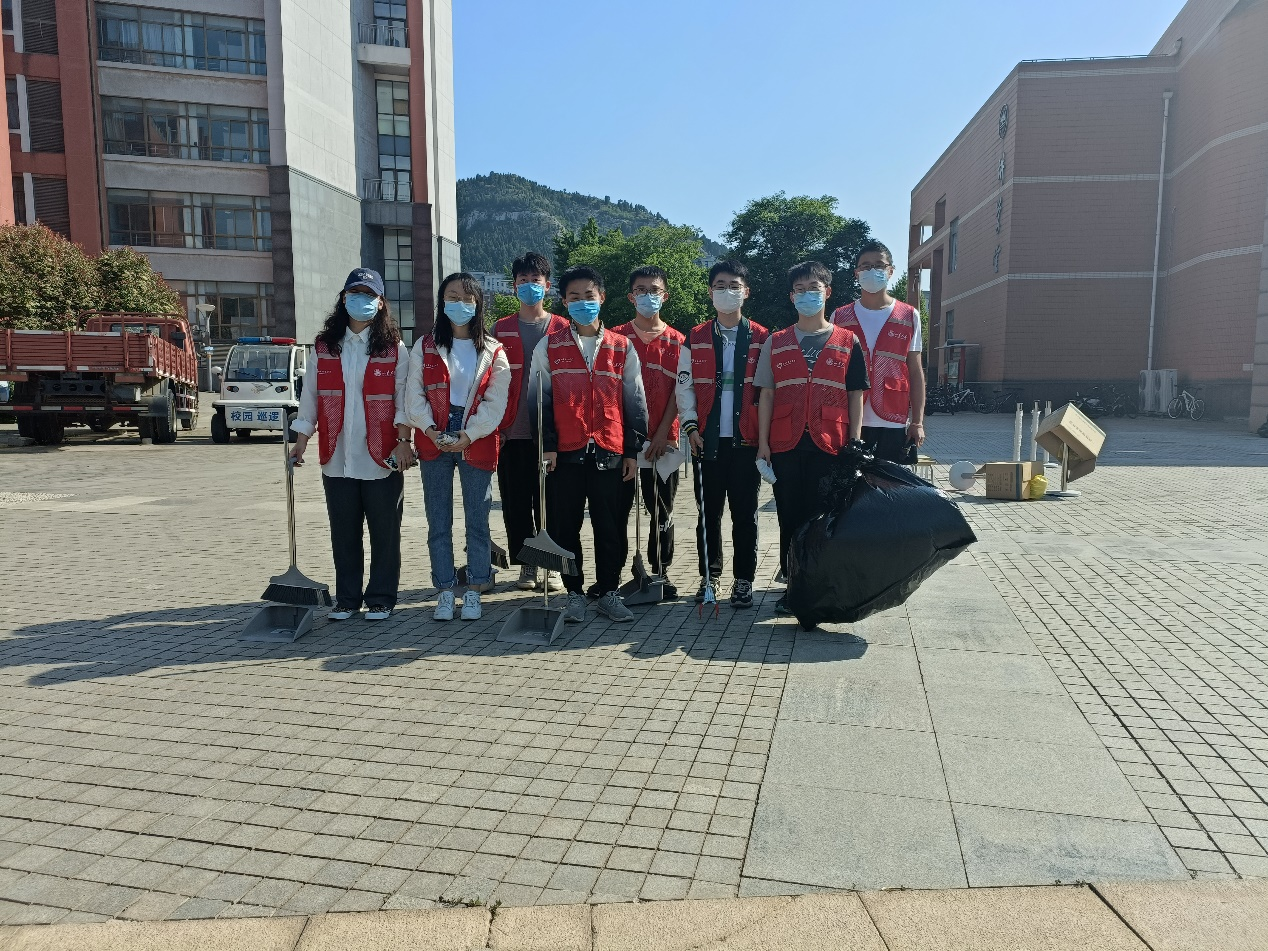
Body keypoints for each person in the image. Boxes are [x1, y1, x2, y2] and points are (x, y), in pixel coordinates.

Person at [289, 267, 413, 621]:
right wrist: (301, 440)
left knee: (384, 533)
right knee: (343, 532)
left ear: (381, 302)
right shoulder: (325, 346)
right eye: (355, 293)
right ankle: (347, 599)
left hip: (382, 456)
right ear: (344, 299)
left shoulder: (393, 348)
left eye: (369, 295)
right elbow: (310, 396)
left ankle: (381, 598)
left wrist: (404, 441)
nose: (362, 300)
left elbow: (404, 400)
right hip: (337, 454)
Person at [528, 265, 648, 624]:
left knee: (610, 527)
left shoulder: (621, 346)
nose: (583, 303)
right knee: (565, 527)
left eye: (589, 296)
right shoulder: (550, 346)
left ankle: (609, 592)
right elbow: (538, 401)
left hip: (611, 451)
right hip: (565, 452)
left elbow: (635, 400)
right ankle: (574, 594)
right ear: (564, 302)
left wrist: (632, 451)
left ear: (602, 298)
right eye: (574, 297)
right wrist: (547, 445)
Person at [755, 261, 869, 613]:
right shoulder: (776, 342)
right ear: (791, 297)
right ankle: (793, 587)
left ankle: (817, 588)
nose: (807, 295)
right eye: (800, 290)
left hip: (830, 443)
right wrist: (762, 444)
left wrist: (854, 442)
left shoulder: (848, 341)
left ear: (827, 292)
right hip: (785, 444)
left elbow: (855, 395)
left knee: (822, 516)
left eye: (813, 288)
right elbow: (766, 395)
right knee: (789, 516)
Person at [408, 272, 511, 622]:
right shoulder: (424, 346)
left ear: (478, 304)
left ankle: (475, 589)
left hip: (475, 438)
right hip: (434, 436)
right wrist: (430, 429)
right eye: (452, 297)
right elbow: (413, 395)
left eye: (468, 298)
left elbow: (496, 402)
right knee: (438, 520)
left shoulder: (493, 350)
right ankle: (444, 589)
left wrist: (470, 433)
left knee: (477, 520)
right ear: (442, 302)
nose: (460, 304)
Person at [675, 260, 768, 609]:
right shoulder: (695, 337)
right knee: (708, 515)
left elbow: (768, 392)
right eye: (719, 285)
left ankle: (744, 580)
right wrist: (690, 427)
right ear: (710, 291)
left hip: (746, 441)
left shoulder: (762, 337)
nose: (727, 291)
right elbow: (684, 387)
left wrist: (765, 439)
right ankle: (709, 576)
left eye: (734, 285)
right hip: (707, 441)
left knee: (745, 514)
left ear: (746, 292)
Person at [492, 252, 569, 592]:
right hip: (513, 432)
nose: (529, 286)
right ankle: (527, 564)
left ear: (547, 286)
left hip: (553, 435)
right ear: (514, 287)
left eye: (535, 281)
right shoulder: (500, 329)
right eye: (522, 281)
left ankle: (552, 565)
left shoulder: (563, 328)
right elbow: (488, 382)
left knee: (551, 504)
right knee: (517, 505)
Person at [612, 265, 685, 600]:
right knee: (616, 510)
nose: (648, 296)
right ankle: (612, 573)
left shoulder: (679, 342)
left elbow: (680, 393)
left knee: (661, 510)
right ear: (631, 297)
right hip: (619, 443)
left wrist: (661, 434)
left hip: (663, 443)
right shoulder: (614, 339)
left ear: (665, 296)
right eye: (641, 290)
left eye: (654, 290)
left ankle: (660, 572)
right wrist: (625, 438)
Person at [831, 240, 925, 461]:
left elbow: (915, 371)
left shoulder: (909, 316)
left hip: (893, 418)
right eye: (866, 266)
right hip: (850, 418)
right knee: (850, 480)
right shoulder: (839, 317)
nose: (872, 270)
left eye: (879, 265)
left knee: (888, 481)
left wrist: (917, 422)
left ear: (891, 271)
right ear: (856, 273)